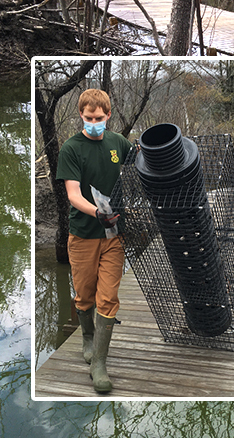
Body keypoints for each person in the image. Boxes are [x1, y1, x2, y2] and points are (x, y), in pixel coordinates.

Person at [55, 88, 132, 393]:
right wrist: (98, 212)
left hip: (115, 235)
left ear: (108, 116)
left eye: (99, 118)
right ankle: (87, 337)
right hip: (84, 234)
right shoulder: (72, 149)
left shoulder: (117, 142)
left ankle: (99, 362)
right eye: (88, 118)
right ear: (81, 116)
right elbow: (73, 195)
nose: (94, 122)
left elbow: (140, 165)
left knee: (108, 297)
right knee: (84, 295)